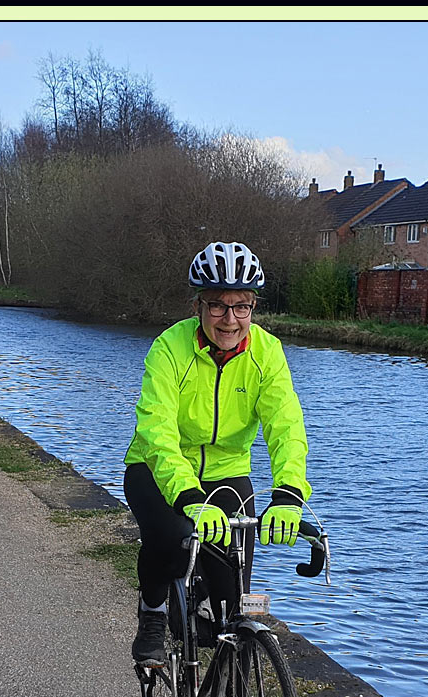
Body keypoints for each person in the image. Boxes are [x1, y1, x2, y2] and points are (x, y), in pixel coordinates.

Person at [124, 241, 310, 667]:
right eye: (217, 306)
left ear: (253, 306)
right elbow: (157, 431)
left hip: (227, 472)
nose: (230, 319)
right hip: (157, 468)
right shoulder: (169, 349)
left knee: (240, 603)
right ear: (198, 307)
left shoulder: (267, 354)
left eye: (241, 307)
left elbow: (286, 426)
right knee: (171, 540)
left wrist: (288, 494)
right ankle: (153, 612)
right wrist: (188, 497)